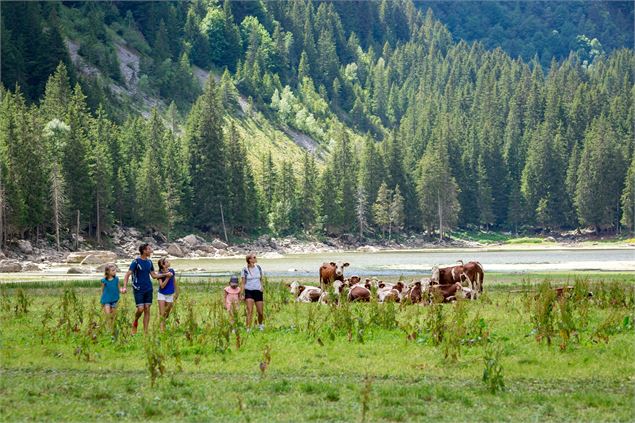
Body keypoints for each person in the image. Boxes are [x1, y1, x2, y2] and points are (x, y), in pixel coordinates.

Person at [122, 243, 172, 334]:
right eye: (149, 249)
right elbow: (127, 274)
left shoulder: (149, 262)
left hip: (148, 288)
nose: (151, 251)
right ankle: (135, 322)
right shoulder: (136, 262)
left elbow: (153, 276)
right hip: (138, 288)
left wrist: (165, 275)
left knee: (147, 308)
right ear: (144, 251)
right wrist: (124, 287)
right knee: (140, 309)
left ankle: (145, 332)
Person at [240, 254, 265, 331]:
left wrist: (262, 286)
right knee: (250, 310)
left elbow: (260, 279)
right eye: (254, 257)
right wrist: (242, 293)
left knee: (260, 312)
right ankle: (248, 328)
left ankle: (260, 325)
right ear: (249, 260)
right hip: (249, 291)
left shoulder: (259, 268)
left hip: (258, 291)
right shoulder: (244, 270)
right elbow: (243, 282)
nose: (255, 258)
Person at [157, 257, 178, 331]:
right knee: (162, 313)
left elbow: (174, 281)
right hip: (162, 294)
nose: (169, 262)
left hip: (170, 294)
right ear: (163, 265)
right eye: (167, 262)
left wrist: (177, 291)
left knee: (167, 312)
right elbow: (162, 286)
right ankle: (162, 330)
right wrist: (167, 277)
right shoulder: (160, 274)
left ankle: (162, 323)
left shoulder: (172, 270)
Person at [100, 263, 120, 328]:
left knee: (113, 316)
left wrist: (123, 290)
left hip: (114, 300)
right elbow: (102, 291)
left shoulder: (116, 279)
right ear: (108, 272)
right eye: (113, 270)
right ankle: (109, 328)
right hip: (106, 300)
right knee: (108, 315)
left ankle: (113, 327)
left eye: (115, 270)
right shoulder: (104, 281)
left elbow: (119, 289)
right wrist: (102, 301)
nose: (115, 271)